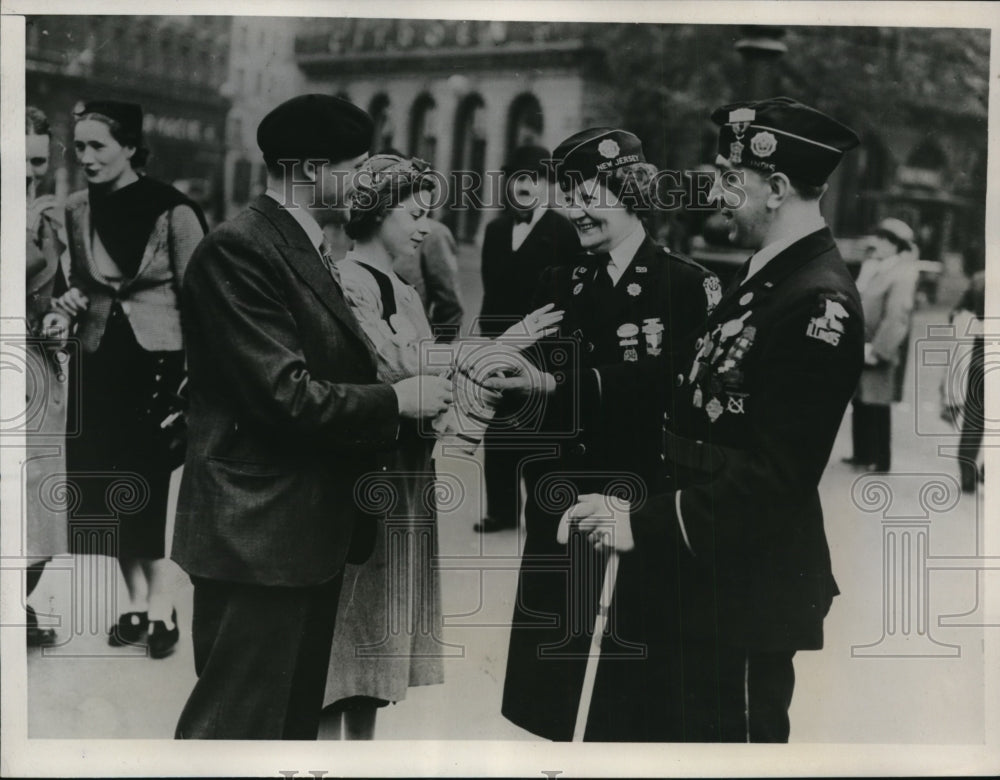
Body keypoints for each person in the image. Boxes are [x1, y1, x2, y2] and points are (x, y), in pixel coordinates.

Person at [563, 97, 864, 741]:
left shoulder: (818, 303)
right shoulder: (768, 278)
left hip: (746, 595)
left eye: (732, 179)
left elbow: (776, 479)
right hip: (700, 573)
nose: (716, 192)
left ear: (777, 188)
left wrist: (638, 521)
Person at [170, 96, 453, 740]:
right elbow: (283, 395)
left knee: (287, 731)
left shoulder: (300, 244)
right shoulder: (239, 249)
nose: (363, 184)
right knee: (233, 729)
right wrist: (398, 402)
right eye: (355, 167)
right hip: (258, 538)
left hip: (300, 535)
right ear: (309, 169)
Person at [319, 153, 563, 739]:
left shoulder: (400, 288)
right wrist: (506, 342)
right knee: (342, 646)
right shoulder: (347, 283)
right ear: (377, 209)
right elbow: (397, 368)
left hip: (402, 477)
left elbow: (432, 378)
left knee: (374, 649)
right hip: (364, 481)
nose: (426, 225)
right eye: (416, 210)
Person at [498, 128, 718, 741]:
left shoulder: (686, 286)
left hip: (635, 505)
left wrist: (561, 386)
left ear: (630, 195)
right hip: (562, 504)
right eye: (567, 194)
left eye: (588, 193)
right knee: (553, 687)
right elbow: (526, 401)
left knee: (629, 691)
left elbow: (677, 393)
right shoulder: (558, 281)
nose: (574, 209)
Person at [52, 99, 207, 659]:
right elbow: (78, 281)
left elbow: (200, 299)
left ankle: (163, 608)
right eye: (80, 147)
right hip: (98, 361)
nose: (86, 158)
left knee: (151, 491)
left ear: (130, 148)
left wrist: (196, 382)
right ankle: (135, 603)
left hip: (158, 367)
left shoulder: (175, 211)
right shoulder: (75, 207)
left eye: (98, 146)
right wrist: (65, 303)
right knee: (107, 492)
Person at [475, 145, 580, 533]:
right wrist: (492, 339)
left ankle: (545, 510)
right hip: (502, 343)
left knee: (540, 429)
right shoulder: (495, 230)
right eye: (517, 178)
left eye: (533, 178)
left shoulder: (563, 230)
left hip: (543, 348)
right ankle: (501, 511)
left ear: (546, 184)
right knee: (498, 427)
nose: (524, 186)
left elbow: (569, 294)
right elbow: (490, 287)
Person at [25, 105, 69, 646]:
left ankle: (20, 603)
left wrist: (59, 313)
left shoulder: (49, 219)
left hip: (35, 365)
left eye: (38, 162)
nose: (31, 175)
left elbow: (55, 297)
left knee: (40, 495)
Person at [844, 218, 920, 472]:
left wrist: (880, 350)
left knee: (877, 402)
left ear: (896, 245)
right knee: (861, 399)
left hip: (879, 346)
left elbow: (897, 316)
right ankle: (862, 454)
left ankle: (880, 458)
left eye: (885, 240)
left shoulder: (902, 272)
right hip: (862, 343)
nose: (878, 244)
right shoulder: (877, 267)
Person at [941, 269, 986, 492]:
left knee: (973, 419)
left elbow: (956, 313)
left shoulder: (980, 278)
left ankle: (967, 475)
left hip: (979, 359)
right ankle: (987, 470)